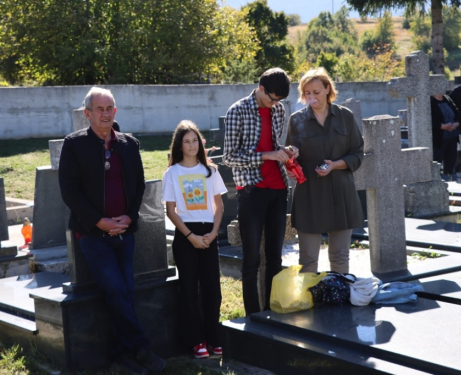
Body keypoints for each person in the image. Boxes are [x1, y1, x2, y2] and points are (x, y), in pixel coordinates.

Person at [58, 87, 165, 375]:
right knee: (115, 290)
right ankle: (142, 346)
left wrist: (129, 218)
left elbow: (139, 185)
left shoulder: (129, 144)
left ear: (115, 112)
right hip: (93, 235)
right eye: (100, 109)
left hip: (125, 232)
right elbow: (70, 191)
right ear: (88, 113)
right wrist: (99, 221)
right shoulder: (74, 145)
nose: (105, 114)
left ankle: (122, 354)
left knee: (125, 293)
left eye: (110, 108)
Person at [223, 67, 298, 316]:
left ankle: (271, 310)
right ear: (261, 88)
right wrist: (266, 155)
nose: (275, 104)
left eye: (279, 100)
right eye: (272, 98)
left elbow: (272, 143)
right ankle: (254, 315)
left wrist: (285, 151)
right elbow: (229, 158)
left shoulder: (279, 109)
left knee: (275, 258)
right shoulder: (237, 111)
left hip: (278, 189)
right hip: (251, 190)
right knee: (251, 258)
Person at [286, 67, 364, 274]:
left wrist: (335, 165)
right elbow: (290, 158)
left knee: (340, 257)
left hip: (341, 192)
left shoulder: (345, 117)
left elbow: (357, 153)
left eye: (316, 92)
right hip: (310, 194)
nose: (312, 98)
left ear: (328, 89)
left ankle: (340, 300)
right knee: (308, 260)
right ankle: (309, 303)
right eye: (307, 93)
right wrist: (291, 166)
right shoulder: (296, 120)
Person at [162, 120, 227, 359]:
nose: (191, 145)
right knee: (189, 289)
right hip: (185, 235)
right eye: (186, 141)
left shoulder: (210, 170)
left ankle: (213, 338)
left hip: (209, 233)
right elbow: (171, 211)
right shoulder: (172, 173)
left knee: (213, 289)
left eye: (194, 140)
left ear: (200, 143)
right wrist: (191, 237)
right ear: (179, 146)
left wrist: (212, 234)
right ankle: (196, 340)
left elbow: (219, 207)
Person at [430, 94, 460, 175]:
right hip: (439, 138)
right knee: (437, 161)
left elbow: (457, 113)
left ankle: (450, 180)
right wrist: (442, 126)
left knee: (451, 162)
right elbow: (428, 118)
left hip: (452, 135)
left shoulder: (447, 98)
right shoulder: (430, 101)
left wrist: (456, 123)